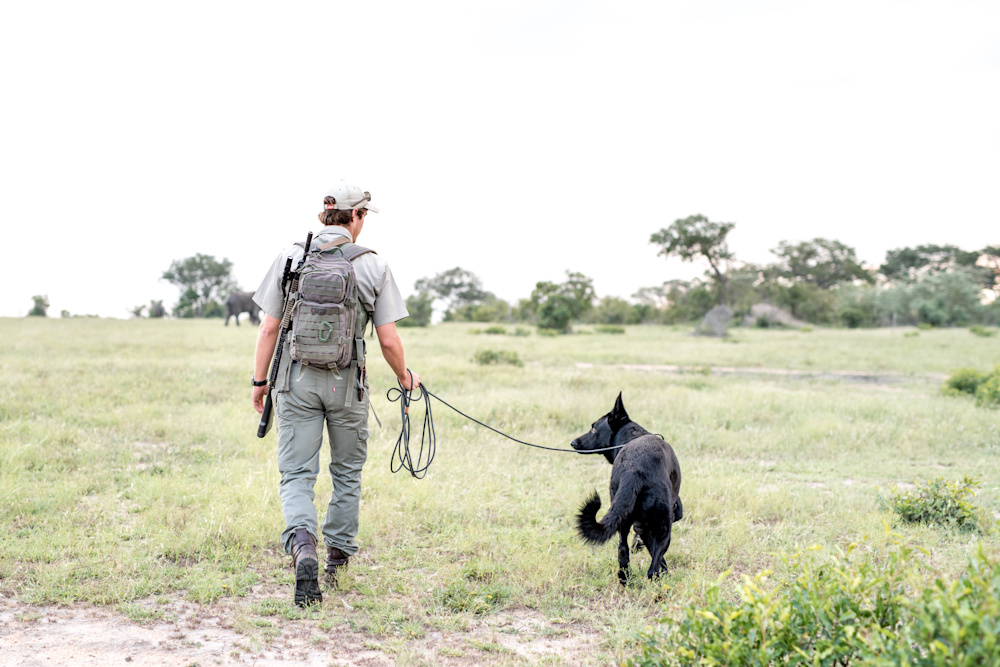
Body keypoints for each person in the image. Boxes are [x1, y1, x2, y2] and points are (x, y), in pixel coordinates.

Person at [251, 180, 420, 606]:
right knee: (346, 473)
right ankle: (337, 559)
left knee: (297, 474)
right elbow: (388, 340)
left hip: (295, 379)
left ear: (324, 214)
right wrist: (405, 377)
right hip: (348, 383)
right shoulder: (373, 266)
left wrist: (260, 383)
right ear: (356, 216)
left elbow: (269, 327)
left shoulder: (291, 256)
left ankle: (303, 546)